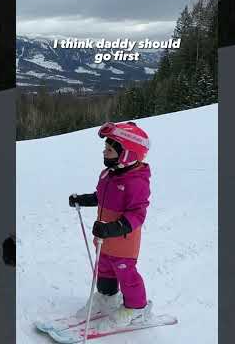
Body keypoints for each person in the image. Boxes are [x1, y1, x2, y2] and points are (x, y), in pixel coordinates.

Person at [69, 121, 153, 328]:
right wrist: (84, 199)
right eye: (105, 148)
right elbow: (102, 197)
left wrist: (112, 228)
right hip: (104, 237)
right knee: (104, 267)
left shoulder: (136, 181)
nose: (104, 152)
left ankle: (136, 309)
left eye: (109, 149)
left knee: (126, 274)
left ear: (127, 154)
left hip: (123, 240)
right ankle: (107, 297)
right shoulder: (109, 174)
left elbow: (137, 214)